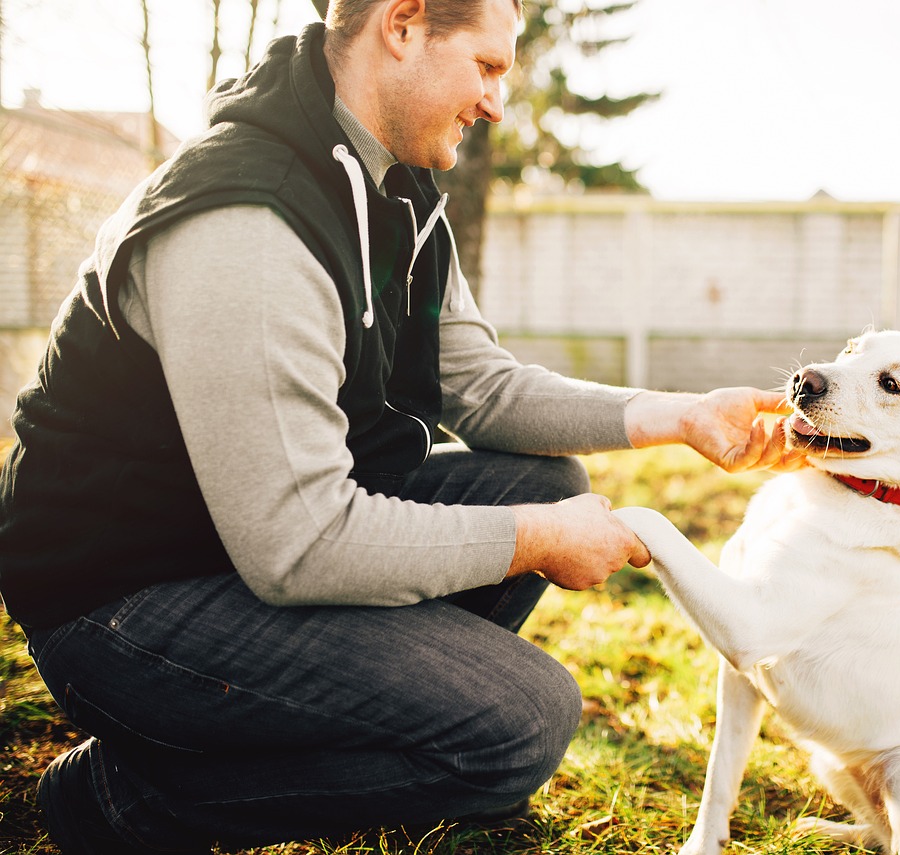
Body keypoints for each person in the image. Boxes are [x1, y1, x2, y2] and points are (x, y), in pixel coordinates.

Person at [0, 0, 801, 852]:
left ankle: (382, 709)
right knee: (522, 722)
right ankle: (119, 799)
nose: (497, 104)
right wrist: (535, 538)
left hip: (239, 548)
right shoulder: (248, 220)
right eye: (487, 67)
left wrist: (682, 416)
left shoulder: (396, 187)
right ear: (404, 24)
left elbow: (481, 386)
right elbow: (301, 541)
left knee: (544, 478)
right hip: (124, 602)